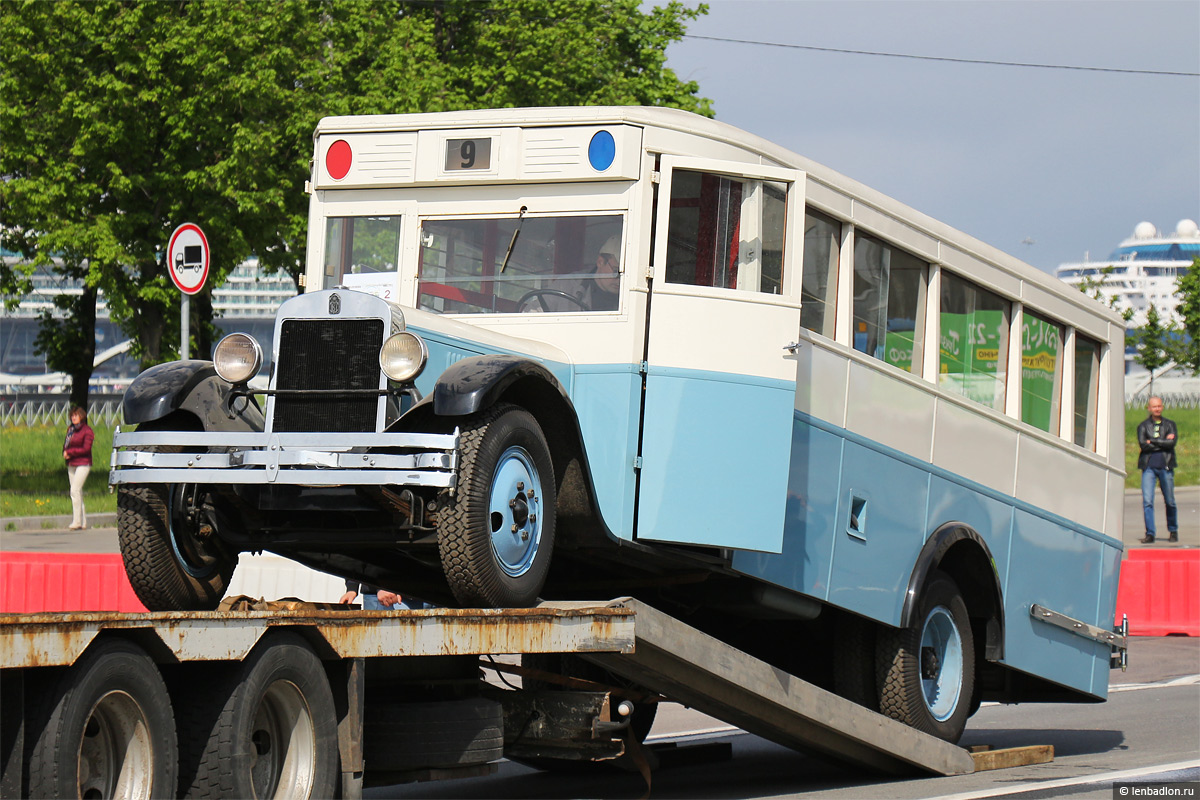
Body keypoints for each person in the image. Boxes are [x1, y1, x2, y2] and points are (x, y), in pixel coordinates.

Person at [522, 235, 622, 312]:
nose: (620, 279)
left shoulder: (632, 299)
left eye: (626, 275)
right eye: (616, 271)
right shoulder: (568, 286)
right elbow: (531, 314)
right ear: (600, 262)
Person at [1137, 395, 1178, 544]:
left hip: (1165, 466)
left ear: (1162, 407)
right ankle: (1150, 533)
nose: (1157, 409)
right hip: (1148, 467)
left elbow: (1171, 444)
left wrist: (1152, 441)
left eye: (1159, 406)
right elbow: (1143, 445)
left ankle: (1173, 530)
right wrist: (1163, 441)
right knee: (1148, 501)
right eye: (1154, 406)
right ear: (1149, 408)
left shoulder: (1170, 424)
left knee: (1170, 501)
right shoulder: (1143, 426)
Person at [62, 405, 94, 530]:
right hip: (71, 463)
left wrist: (71, 452)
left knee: (74, 490)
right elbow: (66, 443)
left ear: (81, 416)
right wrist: (65, 452)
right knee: (77, 492)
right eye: (72, 416)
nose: (74, 418)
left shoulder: (87, 431)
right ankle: (83, 521)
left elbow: (86, 449)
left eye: (76, 415)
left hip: (83, 463)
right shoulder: (70, 430)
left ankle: (76, 521)